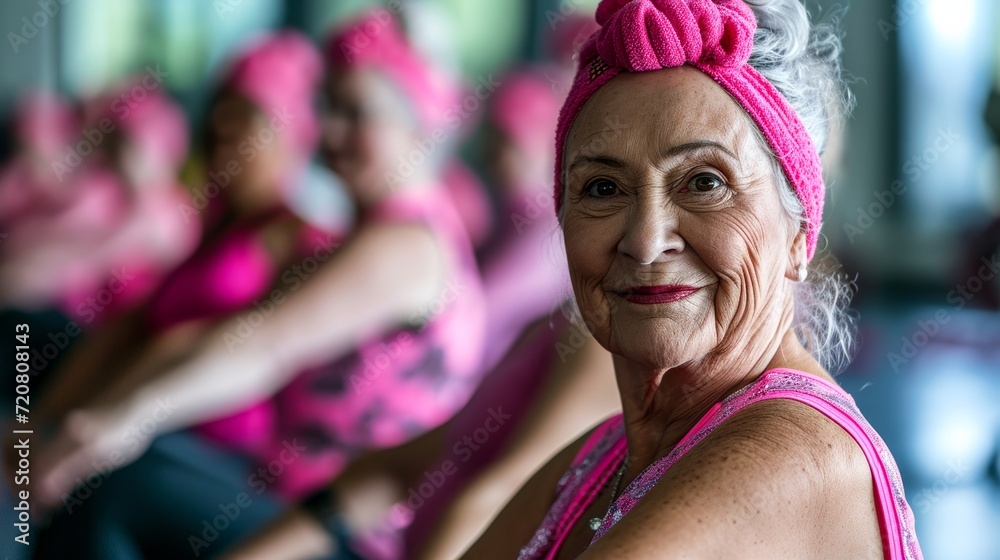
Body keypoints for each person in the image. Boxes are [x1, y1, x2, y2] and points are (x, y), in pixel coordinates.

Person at [461, 1, 924, 559]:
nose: (645, 239)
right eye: (603, 189)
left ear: (799, 235)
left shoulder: (791, 454)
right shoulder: (600, 460)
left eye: (704, 182)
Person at [27, 19, 486, 558]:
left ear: (422, 128)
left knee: (122, 490)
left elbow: (264, 344)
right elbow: (214, 335)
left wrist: (121, 423)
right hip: (284, 505)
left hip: (347, 537)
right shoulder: (358, 236)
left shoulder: (406, 243)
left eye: (356, 113)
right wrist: (87, 422)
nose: (330, 132)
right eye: (326, 107)